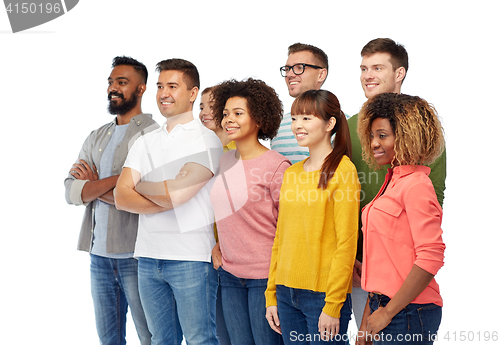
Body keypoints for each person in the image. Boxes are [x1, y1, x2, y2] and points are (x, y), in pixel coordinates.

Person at [114, 58, 223, 345]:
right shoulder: (145, 141)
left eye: (172, 86)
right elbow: (120, 196)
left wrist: (142, 186)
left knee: (200, 339)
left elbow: (177, 195)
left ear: (192, 93)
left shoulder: (207, 140)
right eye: (161, 86)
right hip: (148, 257)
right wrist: (166, 193)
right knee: (161, 340)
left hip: (191, 259)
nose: (164, 93)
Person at [347, 38, 447, 330]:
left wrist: (388, 310)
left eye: (377, 67)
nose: (368, 75)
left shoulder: (417, 174)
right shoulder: (352, 129)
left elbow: (430, 245)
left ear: (399, 73)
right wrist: (353, 255)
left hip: (403, 290)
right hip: (366, 274)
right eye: (363, 68)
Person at [64, 56, 156, 345]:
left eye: (122, 82)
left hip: (137, 255)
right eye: (111, 82)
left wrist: (92, 186)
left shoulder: (153, 134)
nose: (113, 88)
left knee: (151, 336)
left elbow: (143, 195)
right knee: (108, 339)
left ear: (141, 89)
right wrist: (118, 180)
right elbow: (70, 191)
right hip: (98, 256)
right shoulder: (97, 136)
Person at [266, 90, 359, 344]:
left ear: (330, 124)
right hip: (286, 293)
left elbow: (346, 243)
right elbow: (280, 238)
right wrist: (271, 294)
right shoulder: (292, 173)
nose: (297, 126)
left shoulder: (343, 170)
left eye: (306, 118)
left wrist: (332, 305)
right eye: (295, 118)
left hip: (322, 295)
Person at [209, 78, 290, 345]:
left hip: (265, 280)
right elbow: (226, 213)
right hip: (230, 275)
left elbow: (287, 230)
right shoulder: (224, 160)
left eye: (238, 113)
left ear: (258, 119)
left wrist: (277, 286)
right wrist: (218, 244)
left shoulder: (277, 166)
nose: (228, 120)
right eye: (225, 114)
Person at [199, 86, 233, 345]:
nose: (203, 112)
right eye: (200, 107)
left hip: (229, 251)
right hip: (203, 251)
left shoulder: (235, 151)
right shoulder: (200, 150)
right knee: (215, 328)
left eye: (210, 106)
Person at [271, 43, 328, 163]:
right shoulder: (277, 125)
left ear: (321, 74)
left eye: (299, 67)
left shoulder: (339, 121)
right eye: (287, 69)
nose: (290, 74)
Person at [199, 86, 236, 153]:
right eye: (201, 108)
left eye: (212, 107)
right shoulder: (197, 148)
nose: (203, 112)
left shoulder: (242, 149)